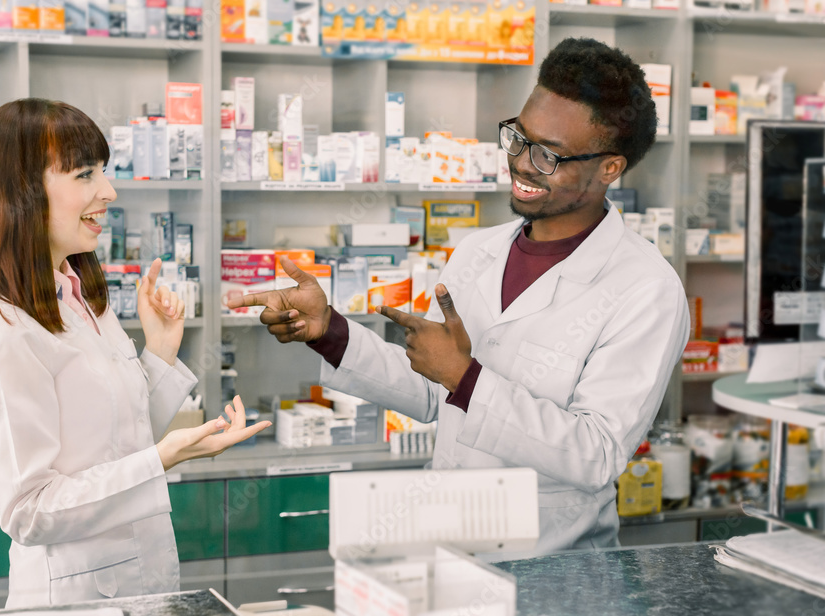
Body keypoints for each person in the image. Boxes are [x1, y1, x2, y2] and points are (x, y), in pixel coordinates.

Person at [228, 38, 690, 556]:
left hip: (556, 563)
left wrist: (464, 376)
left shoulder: (645, 289)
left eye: (548, 154)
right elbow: (433, 391)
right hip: (446, 543)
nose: (520, 162)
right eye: (518, 137)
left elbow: (596, 454)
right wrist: (331, 333)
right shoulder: (477, 251)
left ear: (610, 168)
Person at [0, 99, 270, 608]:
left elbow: (119, 440)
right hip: (71, 609)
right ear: (19, 194)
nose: (109, 191)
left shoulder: (81, 302)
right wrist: (164, 459)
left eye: (104, 171)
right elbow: (28, 511)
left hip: (142, 579)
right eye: (84, 174)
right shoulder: (1, 335)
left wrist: (160, 350)